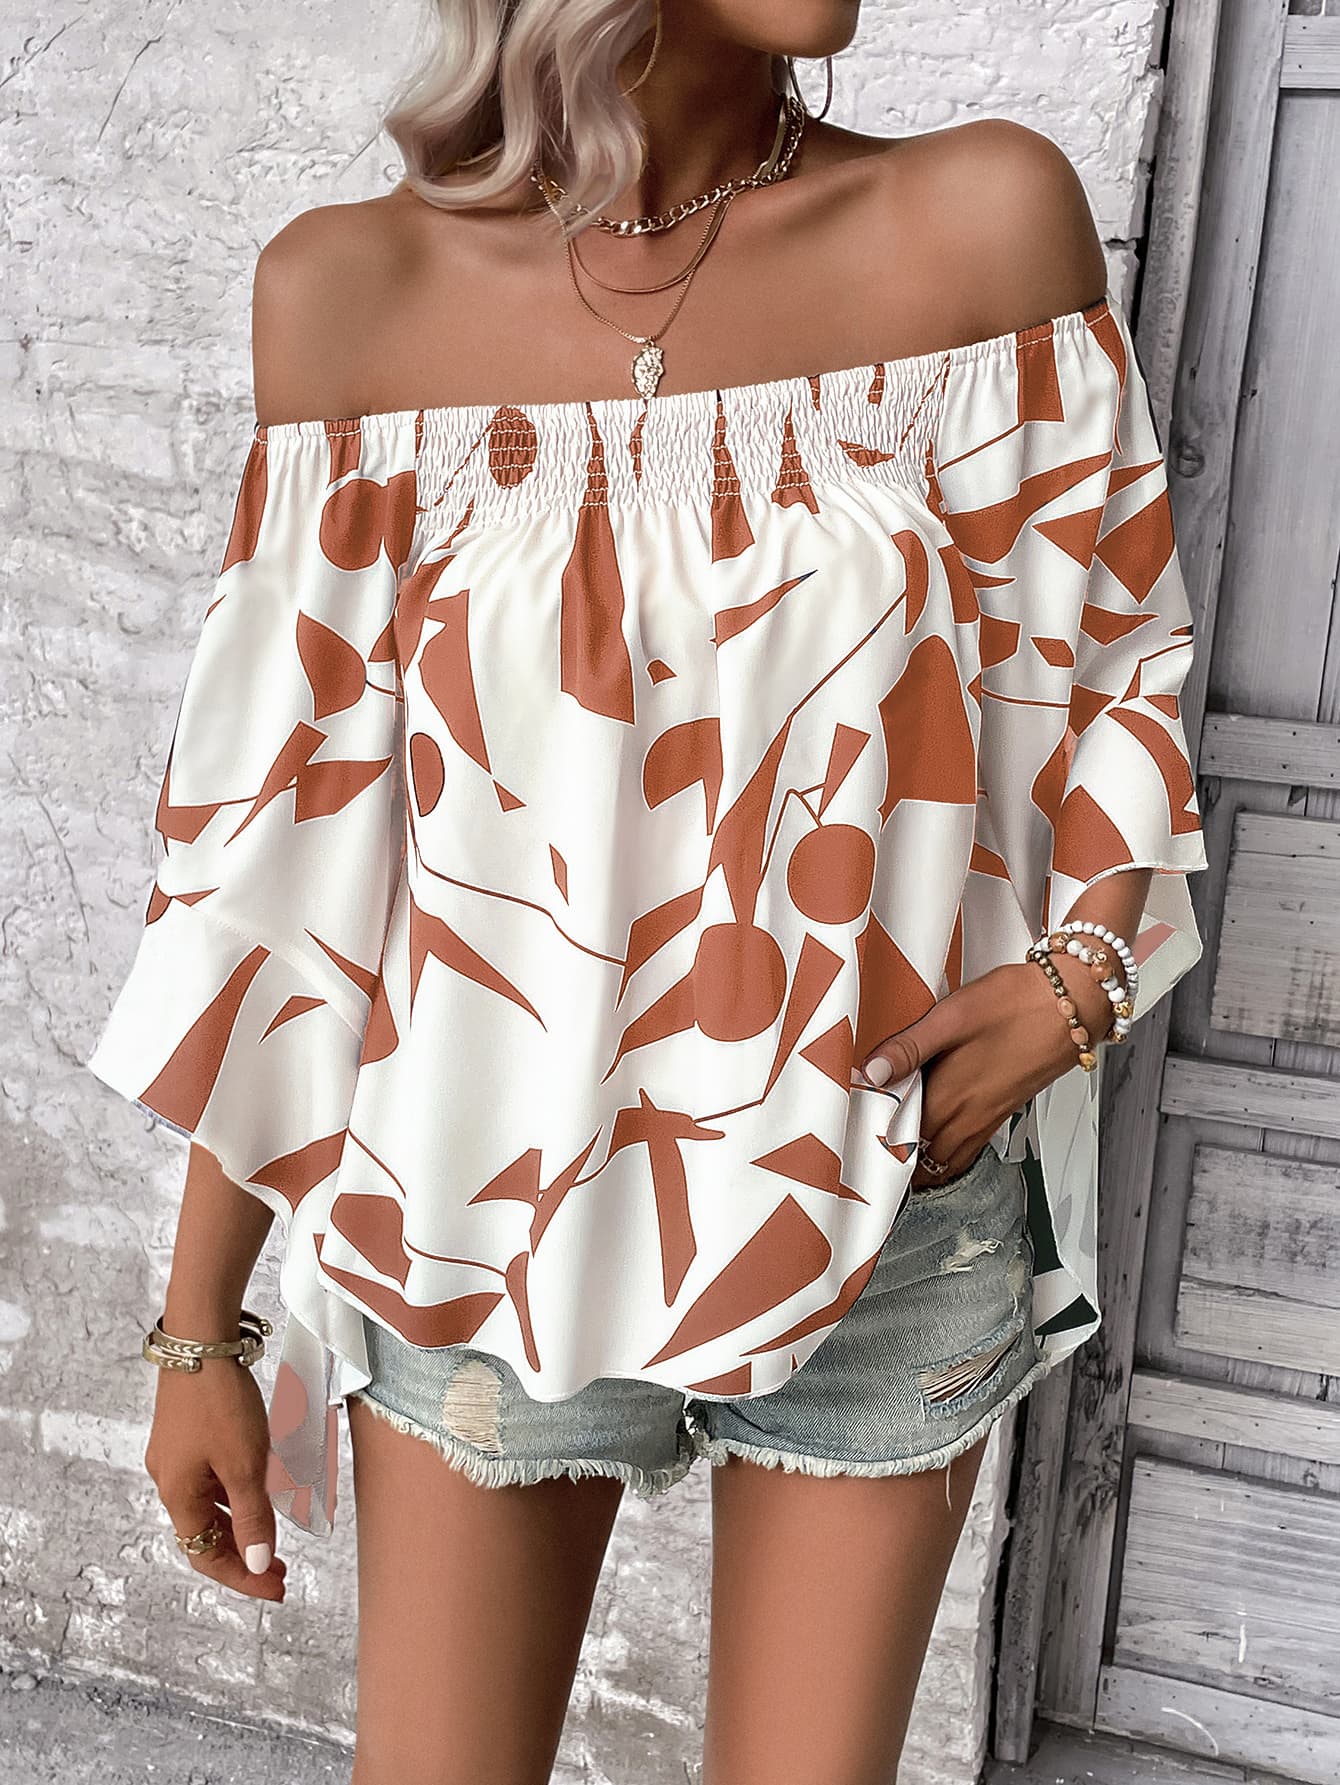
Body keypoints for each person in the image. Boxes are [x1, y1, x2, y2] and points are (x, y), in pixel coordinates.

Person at [85, 3, 1208, 1780]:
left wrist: (1081, 983)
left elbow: (1113, 664)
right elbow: (283, 870)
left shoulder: (982, 225)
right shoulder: (350, 294)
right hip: (477, 1225)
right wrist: (199, 1322)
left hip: (894, 1208)